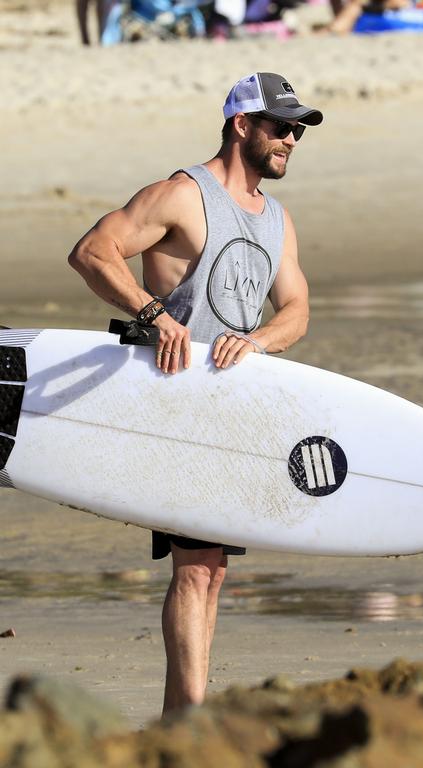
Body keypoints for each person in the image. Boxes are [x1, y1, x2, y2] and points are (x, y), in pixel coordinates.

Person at [67, 72, 319, 712]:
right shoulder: (183, 195)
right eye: (281, 126)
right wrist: (154, 314)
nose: (292, 138)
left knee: (210, 568)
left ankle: (187, 714)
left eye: (298, 129)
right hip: (175, 406)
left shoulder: (276, 219)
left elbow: (297, 309)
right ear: (242, 125)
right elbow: (94, 252)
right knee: (198, 565)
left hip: (231, 412)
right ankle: (187, 717)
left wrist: (259, 341)